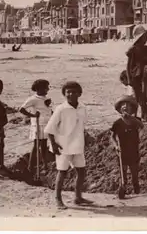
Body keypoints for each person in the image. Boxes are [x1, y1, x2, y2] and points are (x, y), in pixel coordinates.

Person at [44, 81, 92, 209]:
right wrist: (53, 145)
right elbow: (49, 129)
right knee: (62, 172)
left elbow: (82, 126)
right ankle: (58, 199)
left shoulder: (83, 107)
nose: (71, 94)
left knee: (81, 171)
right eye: (68, 92)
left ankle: (78, 197)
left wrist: (86, 137)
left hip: (78, 145)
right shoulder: (61, 109)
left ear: (80, 93)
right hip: (63, 146)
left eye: (74, 92)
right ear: (64, 94)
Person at [110, 95, 143, 198]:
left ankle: (136, 186)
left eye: (128, 105)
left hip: (133, 150)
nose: (125, 107)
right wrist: (116, 146)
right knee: (123, 171)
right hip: (122, 151)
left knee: (134, 172)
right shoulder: (117, 123)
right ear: (119, 109)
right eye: (123, 105)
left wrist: (131, 118)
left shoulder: (135, 120)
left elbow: (142, 126)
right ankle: (123, 186)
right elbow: (112, 136)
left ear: (132, 109)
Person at [19, 79, 53, 173]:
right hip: (38, 125)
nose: (48, 89)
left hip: (46, 124)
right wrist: (33, 116)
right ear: (39, 89)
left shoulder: (46, 98)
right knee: (36, 145)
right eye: (46, 88)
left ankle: (45, 165)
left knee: (44, 145)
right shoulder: (33, 99)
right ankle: (31, 166)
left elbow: (48, 110)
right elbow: (21, 109)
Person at [126, 25, 147, 121]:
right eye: (145, 36)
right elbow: (128, 66)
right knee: (138, 98)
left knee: (143, 97)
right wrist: (129, 79)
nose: (146, 38)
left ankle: (144, 115)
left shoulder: (146, 49)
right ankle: (138, 115)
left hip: (144, 76)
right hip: (136, 76)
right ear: (140, 38)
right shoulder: (133, 50)